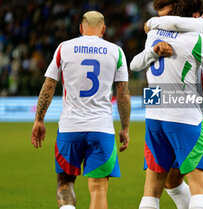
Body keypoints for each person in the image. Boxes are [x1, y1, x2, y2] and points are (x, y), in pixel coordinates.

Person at [130, 0, 203, 209]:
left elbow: (175, 25)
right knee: (171, 181)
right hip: (174, 110)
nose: (164, 19)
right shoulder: (161, 35)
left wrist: (152, 23)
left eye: (166, 14)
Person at [31, 11, 131, 209]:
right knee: (99, 188)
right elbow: (123, 93)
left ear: (80, 28)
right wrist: (125, 127)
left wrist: (39, 120)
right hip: (101, 128)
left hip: (70, 128)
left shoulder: (64, 48)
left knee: (65, 183)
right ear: (104, 29)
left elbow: (49, 85)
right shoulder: (116, 51)